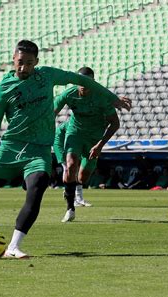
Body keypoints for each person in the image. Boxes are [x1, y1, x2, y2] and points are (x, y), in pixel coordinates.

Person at [0, 40, 131, 259]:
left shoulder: (47, 75)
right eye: (20, 62)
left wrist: (112, 98)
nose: (23, 67)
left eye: (29, 63)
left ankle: (13, 246)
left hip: (38, 151)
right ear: (13, 59)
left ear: (36, 62)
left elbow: (80, 79)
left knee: (38, 186)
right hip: (11, 148)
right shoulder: (4, 88)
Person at [53, 66, 130, 222]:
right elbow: (51, 112)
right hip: (75, 133)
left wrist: (100, 145)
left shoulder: (101, 97)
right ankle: (70, 208)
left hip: (94, 139)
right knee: (71, 164)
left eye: (88, 82)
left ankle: (73, 189)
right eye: (81, 81)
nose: (84, 85)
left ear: (93, 82)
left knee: (83, 175)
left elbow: (115, 123)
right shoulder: (69, 95)